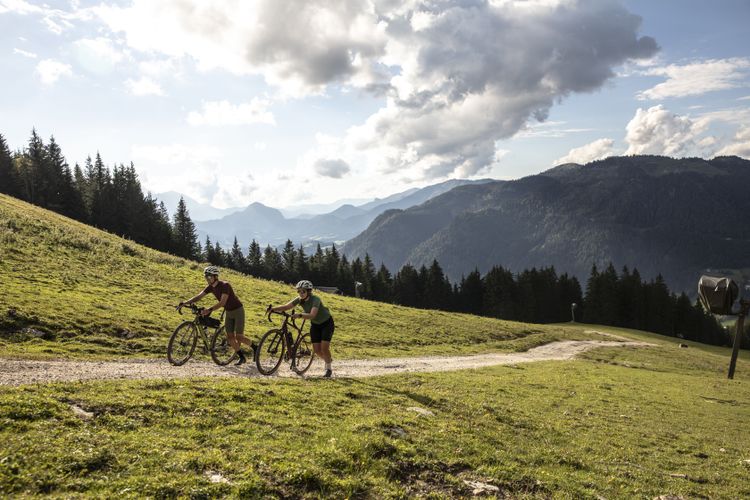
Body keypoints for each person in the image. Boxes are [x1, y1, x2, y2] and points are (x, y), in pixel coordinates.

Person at [179, 266, 254, 365]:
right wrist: (185, 303)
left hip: (238, 310)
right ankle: (241, 357)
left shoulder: (225, 285)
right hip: (229, 312)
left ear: (215, 277)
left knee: (239, 337)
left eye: (209, 277)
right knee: (230, 338)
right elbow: (199, 296)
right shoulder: (210, 287)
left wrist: (209, 310)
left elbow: (223, 302)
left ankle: (255, 347)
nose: (207, 279)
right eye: (206, 277)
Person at [270, 280, 334, 377]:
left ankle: (328, 368)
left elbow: (312, 315)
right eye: (299, 291)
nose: (301, 293)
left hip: (327, 323)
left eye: (303, 291)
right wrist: (273, 309)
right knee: (316, 350)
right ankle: (328, 359)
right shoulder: (299, 299)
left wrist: (300, 315)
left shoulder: (315, 299)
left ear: (308, 291)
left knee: (324, 348)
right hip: (315, 325)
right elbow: (287, 306)